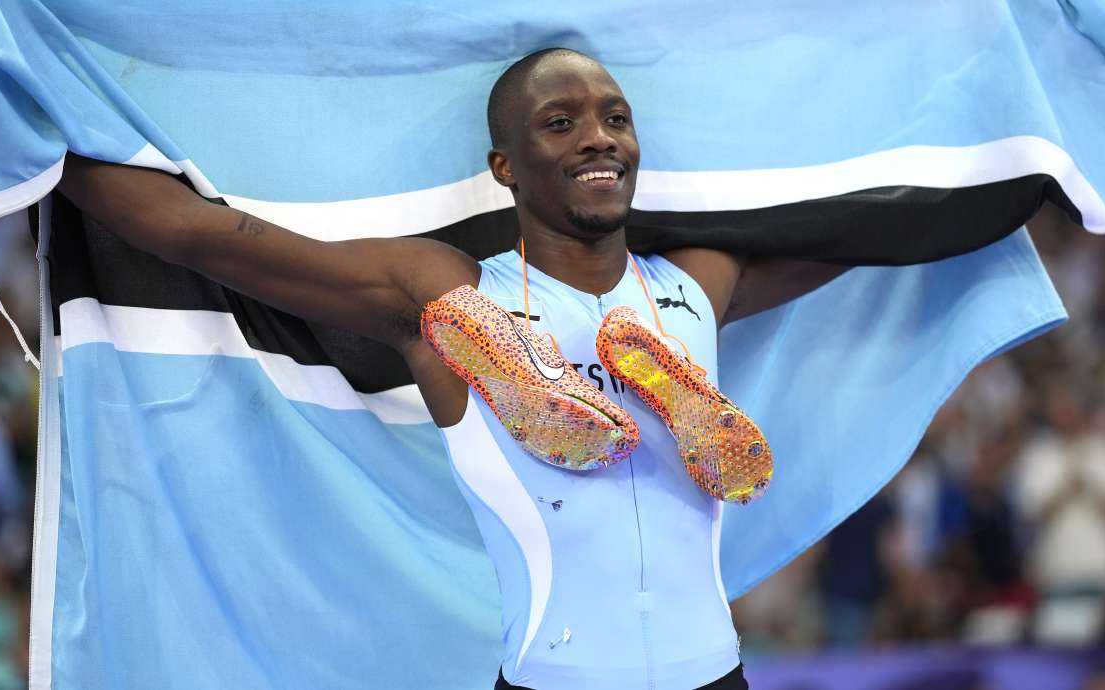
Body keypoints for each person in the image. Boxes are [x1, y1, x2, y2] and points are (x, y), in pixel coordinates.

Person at [56, 47, 846, 690]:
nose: (599, 138)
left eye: (616, 120)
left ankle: (647, 401)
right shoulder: (447, 291)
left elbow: (859, 235)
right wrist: (46, 136)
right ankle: (529, 377)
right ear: (504, 166)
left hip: (713, 674)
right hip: (555, 676)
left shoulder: (697, 281)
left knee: (676, 328)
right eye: (560, 123)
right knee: (457, 324)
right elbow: (207, 238)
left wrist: (970, 186)